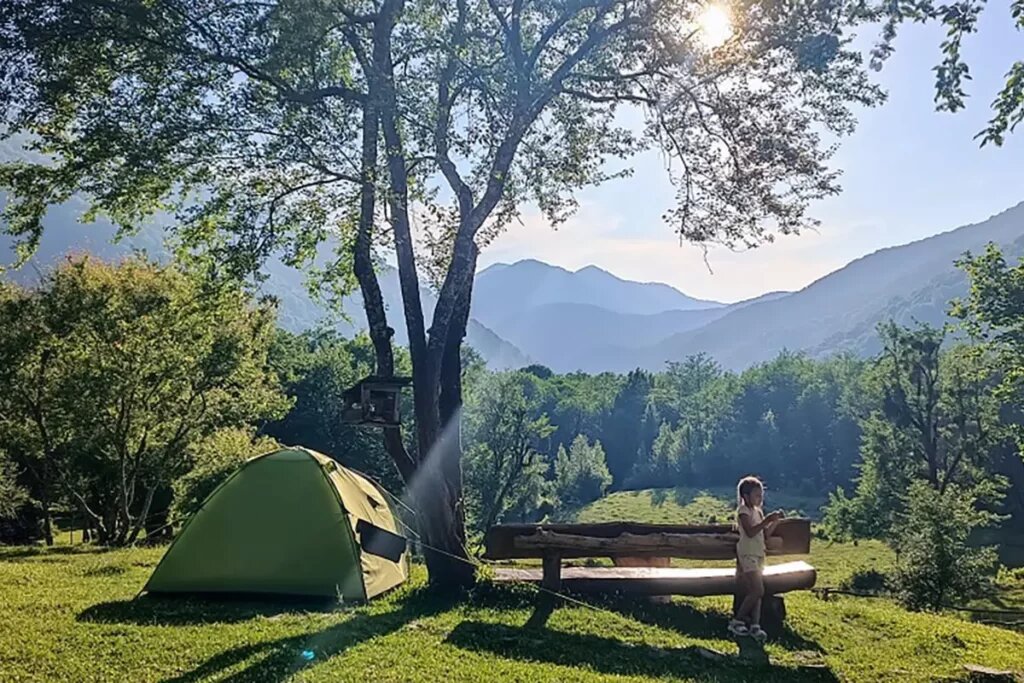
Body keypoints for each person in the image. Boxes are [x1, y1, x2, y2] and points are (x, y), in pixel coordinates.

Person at [727, 475, 783, 642]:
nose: (760, 499)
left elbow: (764, 534)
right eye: (757, 495)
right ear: (745, 496)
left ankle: (755, 625)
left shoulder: (758, 512)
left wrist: (775, 522)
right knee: (758, 590)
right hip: (748, 553)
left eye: (761, 495)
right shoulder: (743, 512)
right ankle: (737, 620)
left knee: (757, 592)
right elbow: (751, 532)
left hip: (758, 553)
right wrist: (767, 520)